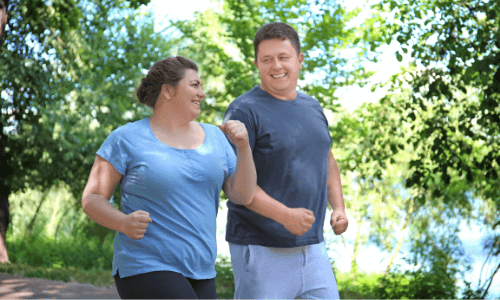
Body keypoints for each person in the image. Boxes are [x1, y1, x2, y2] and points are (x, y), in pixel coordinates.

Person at [81, 56, 256, 299]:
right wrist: (122, 222)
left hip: (202, 269)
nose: (202, 94)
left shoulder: (216, 138)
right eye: (194, 85)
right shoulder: (126, 138)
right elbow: (92, 199)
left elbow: (243, 195)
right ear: (168, 90)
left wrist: (244, 147)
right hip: (145, 264)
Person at [223, 22, 349, 299]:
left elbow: (327, 160)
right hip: (260, 248)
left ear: (300, 60)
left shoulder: (312, 107)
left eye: (283, 57)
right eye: (267, 59)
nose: (276, 66)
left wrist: (338, 208)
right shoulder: (242, 111)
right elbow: (235, 184)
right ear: (257, 63)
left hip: (313, 247)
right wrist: (284, 215)